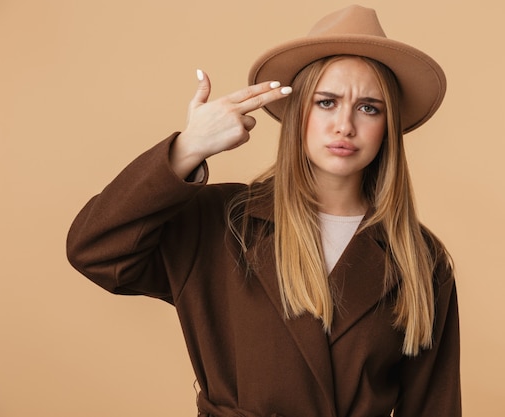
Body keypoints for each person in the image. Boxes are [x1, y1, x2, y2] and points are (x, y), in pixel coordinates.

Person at [67, 5, 461, 417]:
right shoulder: (220, 222)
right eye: (326, 102)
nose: (345, 125)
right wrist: (188, 148)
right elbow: (95, 250)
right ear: (296, 113)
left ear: (387, 126)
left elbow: (434, 405)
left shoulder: (420, 258)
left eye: (368, 108)